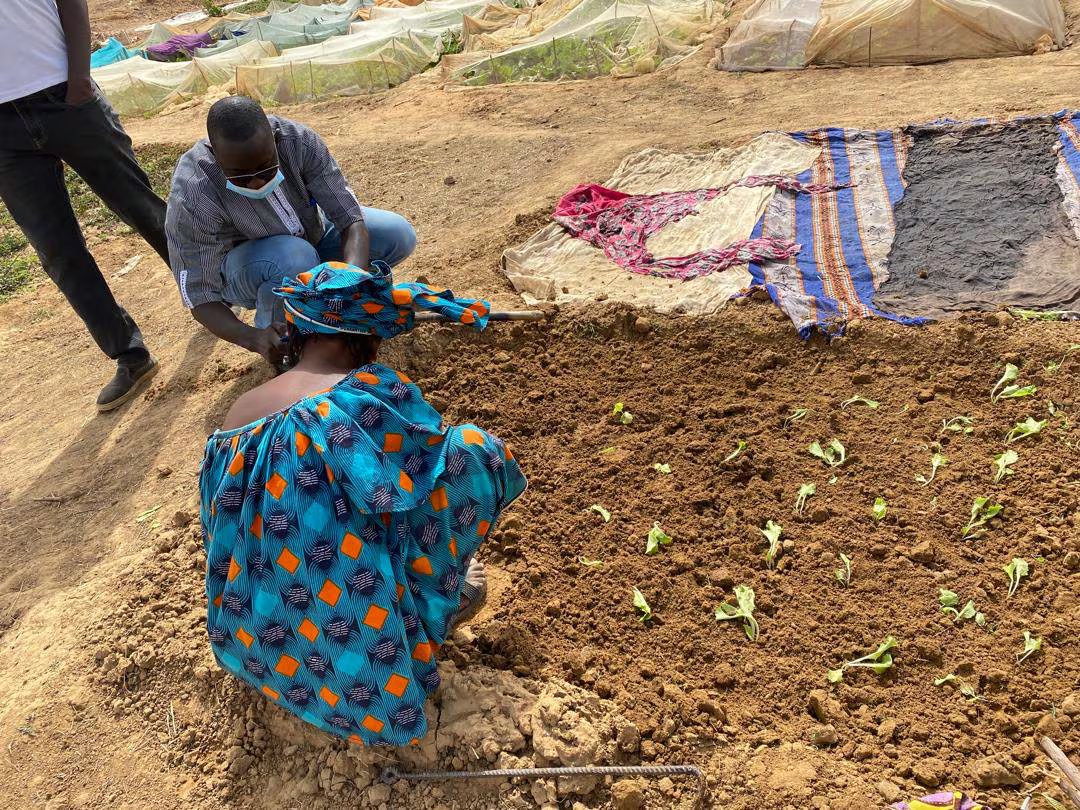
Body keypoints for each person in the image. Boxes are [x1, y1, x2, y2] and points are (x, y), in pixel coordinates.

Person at [198, 260, 525, 746]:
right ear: (370, 341)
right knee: (473, 453)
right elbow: (419, 474)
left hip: (258, 639)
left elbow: (219, 527)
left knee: (327, 516)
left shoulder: (237, 417)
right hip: (366, 662)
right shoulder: (367, 394)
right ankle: (427, 606)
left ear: (295, 328)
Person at [0, 0, 168, 411]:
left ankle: (212, 292)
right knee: (56, 249)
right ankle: (129, 354)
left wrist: (78, 79)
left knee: (138, 205)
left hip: (63, 94)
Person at [166, 96, 418, 370]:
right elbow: (200, 297)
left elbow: (350, 220)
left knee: (396, 233)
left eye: (266, 168)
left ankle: (340, 316)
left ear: (274, 142)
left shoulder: (298, 142)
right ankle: (288, 348)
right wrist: (254, 338)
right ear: (215, 154)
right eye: (239, 175)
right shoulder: (193, 193)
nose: (256, 181)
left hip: (313, 235)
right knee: (294, 257)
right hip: (247, 269)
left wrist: (348, 284)